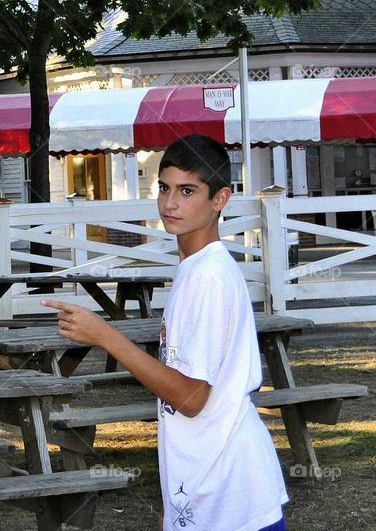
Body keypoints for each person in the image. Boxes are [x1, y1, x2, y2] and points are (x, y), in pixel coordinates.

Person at [42, 134, 287, 531]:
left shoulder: (208, 277)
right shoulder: (195, 269)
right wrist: (177, 504)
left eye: (187, 190)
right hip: (208, 489)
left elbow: (191, 398)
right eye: (164, 188)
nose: (170, 203)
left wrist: (106, 335)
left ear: (220, 198)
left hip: (233, 496)